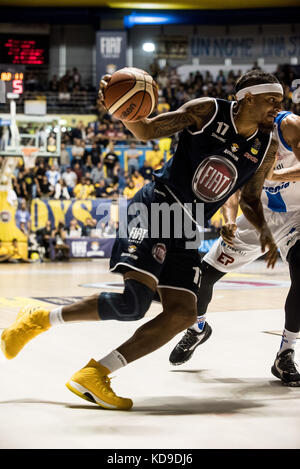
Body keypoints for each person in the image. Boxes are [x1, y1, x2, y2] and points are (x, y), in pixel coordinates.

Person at [1, 69, 282, 411]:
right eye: (272, 99)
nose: (278, 107)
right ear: (247, 98)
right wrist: (123, 109)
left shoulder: (267, 145)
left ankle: (95, 373)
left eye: (281, 101)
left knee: (182, 315)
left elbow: (250, 197)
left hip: (188, 228)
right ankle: (38, 319)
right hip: (158, 206)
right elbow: (147, 128)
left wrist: (264, 232)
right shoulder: (207, 111)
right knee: (133, 303)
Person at [169, 110, 300, 387]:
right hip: (257, 215)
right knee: (202, 278)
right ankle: (197, 328)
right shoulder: (239, 140)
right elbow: (232, 189)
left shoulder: (288, 126)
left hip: (296, 216)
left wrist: (276, 175)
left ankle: (285, 353)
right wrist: (228, 221)